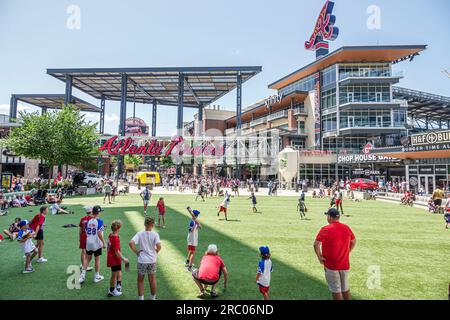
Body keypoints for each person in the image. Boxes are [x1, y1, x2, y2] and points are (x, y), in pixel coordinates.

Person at [314, 208, 356, 300]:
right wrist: (347, 251)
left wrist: (319, 257)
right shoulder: (346, 228)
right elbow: (353, 241)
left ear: (329, 217)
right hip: (344, 263)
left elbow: (316, 244)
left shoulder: (325, 229)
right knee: (345, 287)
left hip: (331, 264)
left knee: (336, 289)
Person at [129, 216, 161, 300]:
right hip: (152, 260)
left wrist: (136, 252)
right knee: (152, 280)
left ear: (144, 224)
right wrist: (156, 252)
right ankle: (152, 297)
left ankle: (141, 298)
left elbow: (131, 243)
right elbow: (159, 246)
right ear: (152, 225)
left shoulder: (140, 234)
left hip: (142, 260)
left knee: (140, 280)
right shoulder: (155, 234)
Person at [79, 205, 106, 284]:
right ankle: (96, 276)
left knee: (87, 259)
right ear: (98, 212)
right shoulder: (100, 221)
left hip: (89, 242)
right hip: (96, 243)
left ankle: (82, 276)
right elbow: (99, 233)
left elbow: (87, 231)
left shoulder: (88, 221)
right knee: (97, 259)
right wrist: (104, 243)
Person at [107, 220, 129, 297]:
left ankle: (118, 285)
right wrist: (124, 259)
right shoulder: (115, 238)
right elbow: (117, 251)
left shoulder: (110, 235)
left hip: (112, 257)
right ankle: (112, 290)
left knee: (118, 271)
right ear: (118, 229)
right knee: (114, 275)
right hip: (114, 259)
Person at [79, 206, 93, 272]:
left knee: (83, 252)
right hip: (89, 237)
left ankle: (83, 265)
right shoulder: (93, 219)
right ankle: (85, 266)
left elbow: (80, 229)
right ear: (91, 211)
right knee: (89, 253)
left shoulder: (82, 219)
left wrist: (79, 237)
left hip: (83, 236)